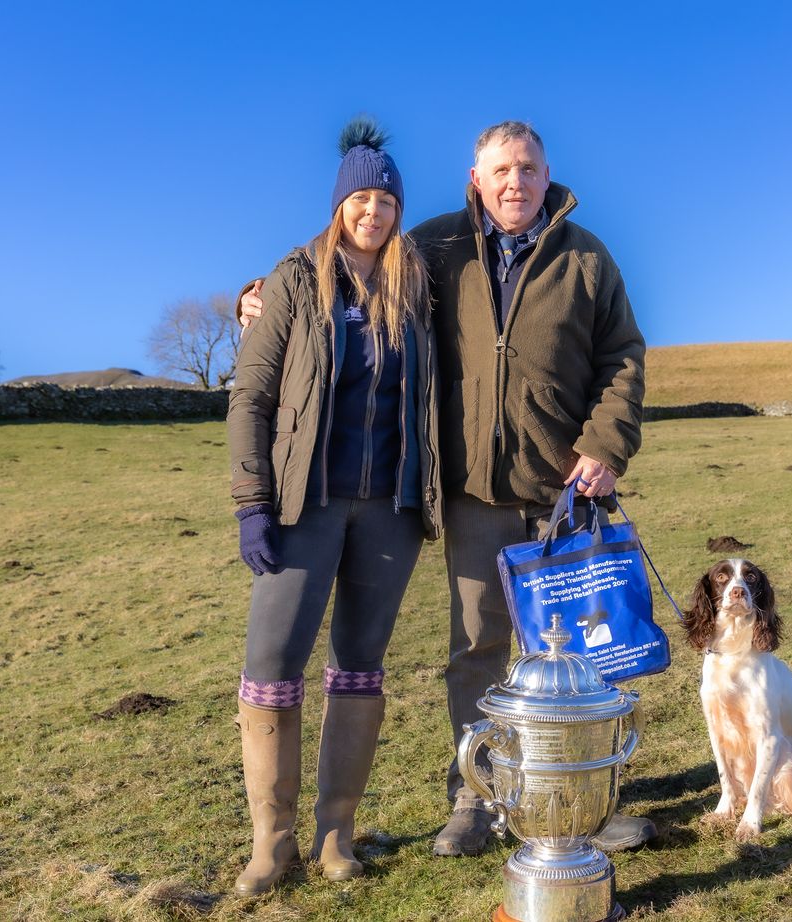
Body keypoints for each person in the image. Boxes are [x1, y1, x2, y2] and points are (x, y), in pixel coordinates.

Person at [237, 120, 653, 859]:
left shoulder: (587, 257)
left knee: (580, 656)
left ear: (547, 173)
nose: (515, 182)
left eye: (527, 168)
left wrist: (605, 445)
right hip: (471, 488)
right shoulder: (433, 247)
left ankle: (583, 800)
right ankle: (479, 798)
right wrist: (256, 298)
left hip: (565, 490)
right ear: (475, 177)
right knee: (477, 648)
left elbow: (622, 357)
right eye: (501, 170)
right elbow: (343, 267)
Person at [226, 117, 441, 895]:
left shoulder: (417, 283)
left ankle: (335, 836)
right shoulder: (292, 280)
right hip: (301, 505)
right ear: (338, 202)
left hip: (389, 508)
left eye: (386, 199)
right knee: (273, 667)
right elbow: (250, 394)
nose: (373, 212)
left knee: (359, 670)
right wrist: (253, 499)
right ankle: (270, 843)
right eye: (361, 197)